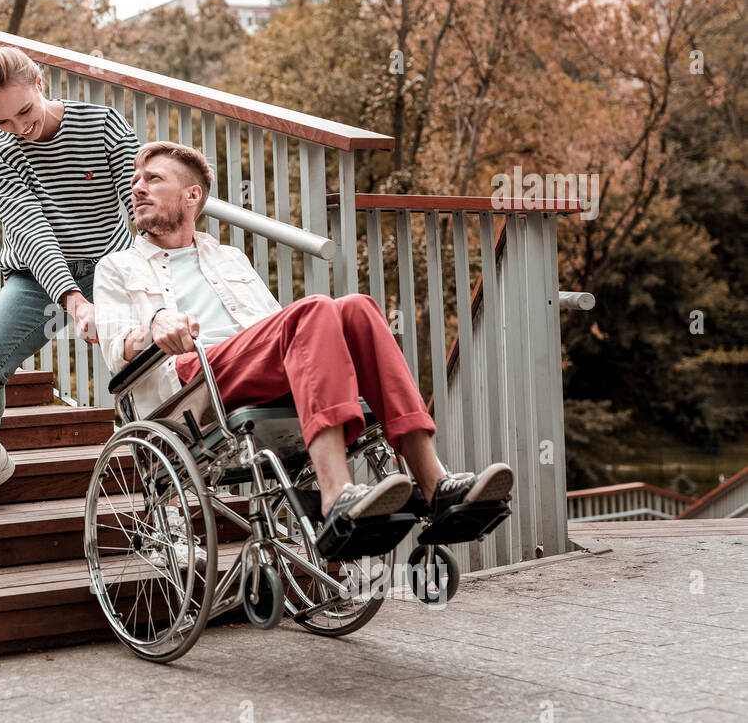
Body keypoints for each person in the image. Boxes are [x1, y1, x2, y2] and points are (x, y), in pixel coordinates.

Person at [93, 140, 514, 536]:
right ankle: (336, 494)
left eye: (153, 179)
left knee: (358, 308)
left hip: (256, 365)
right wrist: (156, 324)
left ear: (191, 196)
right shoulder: (117, 267)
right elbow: (113, 346)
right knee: (315, 310)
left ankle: (433, 482)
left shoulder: (228, 258)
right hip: (191, 383)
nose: (137, 188)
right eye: (135, 180)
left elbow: (277, 324)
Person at [0, 46, 140, 515]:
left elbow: (140, 206)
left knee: (145, 371)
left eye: (25, 111)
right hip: (38, 278)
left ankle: (164, 483)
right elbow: (31, 229)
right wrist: (71, 298)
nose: (20, 128)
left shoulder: (102, 125)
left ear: (41, 83)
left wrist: (148, 280)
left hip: (112, 269)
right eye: (3, 121)